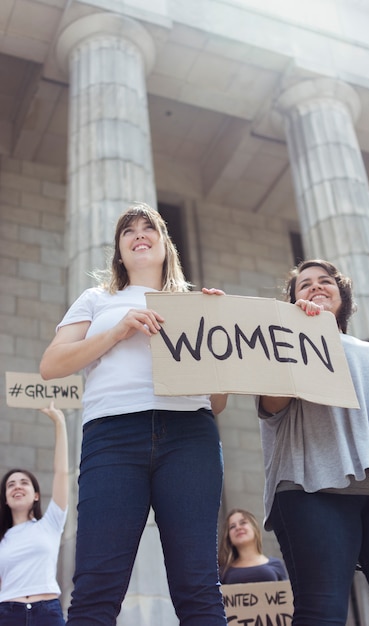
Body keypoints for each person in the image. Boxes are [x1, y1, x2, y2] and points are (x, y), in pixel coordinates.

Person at [39, 202, 228, 626]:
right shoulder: (97, 299)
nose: (139, 234)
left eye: (149, 228)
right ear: (119, 252)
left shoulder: (196, 302)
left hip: (189, 436)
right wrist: (119, 329)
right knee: (95, 586)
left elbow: (216, 402)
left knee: (198, 584)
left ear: (165, 245)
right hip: (112, 437)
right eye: (129, 231)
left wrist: (223, 342)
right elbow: (51, 365)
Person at [258, 259, 369, 626]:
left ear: (341, 294)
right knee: (323, 611)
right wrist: (300, 334)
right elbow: (271, 405)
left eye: (325, 281)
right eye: (305, 284)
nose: (316, 287)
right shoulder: (283, 344)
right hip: (311, 489)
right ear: (293, 299)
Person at [0, 402, 69, 626]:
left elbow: (61, 473)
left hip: (47, 613)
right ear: (5, 498)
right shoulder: (3, 538)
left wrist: (59, 423)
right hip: (8, 614)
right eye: (10, 485)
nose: (17, 487)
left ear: (36, 495)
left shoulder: (50, 524)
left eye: (24, 483)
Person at [218, 508, 287, 584]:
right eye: (232, 527)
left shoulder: (276, 564)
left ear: (255, 529)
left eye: (243, 523)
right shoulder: (223, 571)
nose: (238, 528)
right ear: (228, 537)